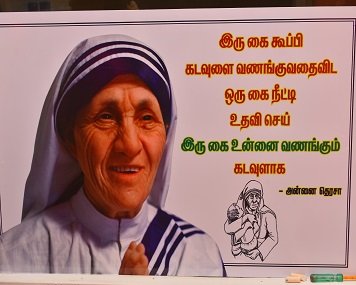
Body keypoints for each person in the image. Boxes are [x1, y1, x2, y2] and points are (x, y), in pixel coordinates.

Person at [0, 34, 225, 276]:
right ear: (69, 138)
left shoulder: (197, 255)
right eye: (106, 117)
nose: (129, 145)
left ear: (166, 136)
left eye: (147, 118)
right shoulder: (16, 256)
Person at [225, 180, 278, 261]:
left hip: (258, 258)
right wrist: (245, 218)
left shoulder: (267, 214)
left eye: (257, 196)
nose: (254, 200)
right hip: (239, 257)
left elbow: (273, 238)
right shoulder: (239, 212)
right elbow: (228, 228)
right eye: (251, 196)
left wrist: (259, 251)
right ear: (246, 198)